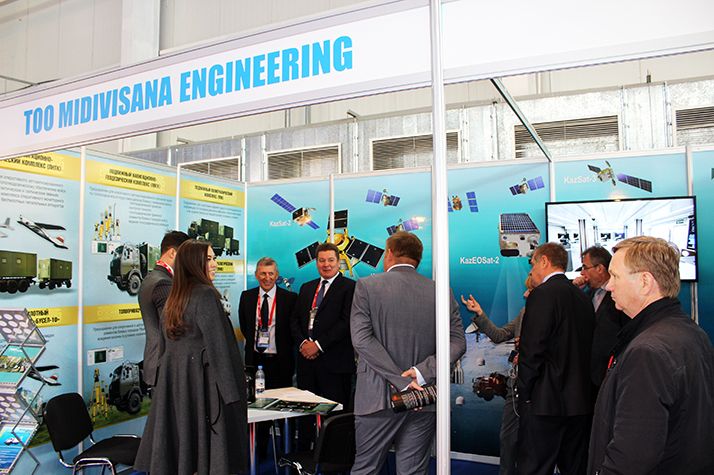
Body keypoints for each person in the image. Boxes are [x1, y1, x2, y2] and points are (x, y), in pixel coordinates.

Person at [588, 236, 714, 475]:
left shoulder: (647, 353)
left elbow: (631, 458)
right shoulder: (692, 332)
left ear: (645, 282)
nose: (609, 285)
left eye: (615, 276)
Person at [350, 232, 466, 475]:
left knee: (366, 469)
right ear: (418, 258)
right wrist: (421, 372)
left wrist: (401, 380)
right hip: (423, 397)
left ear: (389, 253)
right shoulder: (441, 291)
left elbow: (361, 340)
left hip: (377, 398)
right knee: (412, 471)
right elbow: (457, 342)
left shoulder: (367, 286)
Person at [134, 240, 248, 475]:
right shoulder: (205, 294)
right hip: (206, 391)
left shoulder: (176, 295)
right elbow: (220, 349)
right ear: (195, 263)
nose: (215, 264)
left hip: (180, 387)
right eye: (209, 259)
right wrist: (233, 398)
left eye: (214, 258)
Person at [517, 242, 595, 475]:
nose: (531, 270)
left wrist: (525, 393)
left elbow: (532, 350)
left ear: (544, 261)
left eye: (532, 263)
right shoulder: (583, 297)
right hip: (580, 403)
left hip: (545, 403)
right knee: (575, 468)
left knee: (534, 468)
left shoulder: (542, 295)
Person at [461, 274, 533, 475]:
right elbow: (499, 335)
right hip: (515, 388)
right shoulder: (524, 313)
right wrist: (479, 313)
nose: (525, 294)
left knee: (532, 445)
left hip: (536, 390)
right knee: (508, 441)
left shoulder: (550, 316)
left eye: (530, 290)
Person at [238, 257, 297, 456]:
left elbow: (292, 330)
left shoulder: (290, 298)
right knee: (258, 409)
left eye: (271, 273)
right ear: (256, 275)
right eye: (263, 273)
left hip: (280, 363)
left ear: (277, 275)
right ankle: (260, 452)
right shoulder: (247, 297)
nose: (267, 277)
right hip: (255, 362)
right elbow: (246, 327)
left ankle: (286, 452)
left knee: (283, 409)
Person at [290, 242, 356, 407]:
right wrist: (304, 344)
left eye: (330, 260)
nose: (326, 264)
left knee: (334, 413)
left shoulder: (350, 287)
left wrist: (318, 346)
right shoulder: (306, 287)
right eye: (322, 260)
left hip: (335, 365)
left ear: (338, 262)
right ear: (316, 262)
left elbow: (346, 322)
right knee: (306, 413)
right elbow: (295, 320)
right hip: (306, 364)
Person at [138, 230, 189, 387]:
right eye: (186, 256)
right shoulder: (164, 283)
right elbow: (174, 327)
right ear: (173, 253)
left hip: (159, 363)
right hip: (166, 366)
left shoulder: (152, 278)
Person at [573, 246, 628, 388]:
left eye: (585, 267)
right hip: (589, 373)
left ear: (599, 268)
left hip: (611, 373)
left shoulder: (621, 296)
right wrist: (574, 291)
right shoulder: (587, 294)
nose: (582, 273)